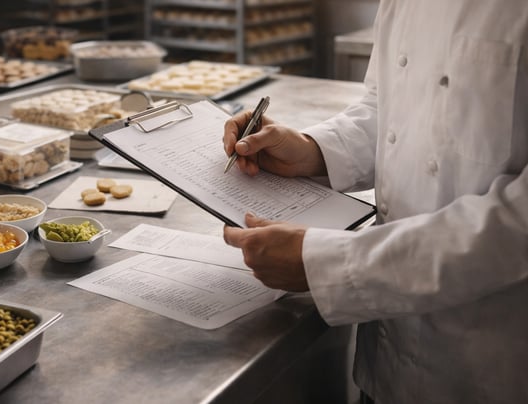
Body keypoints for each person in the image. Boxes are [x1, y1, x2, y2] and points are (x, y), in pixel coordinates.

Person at [222, 1, 528, 403]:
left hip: (485, 367)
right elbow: (387, 107)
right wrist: (314, 150)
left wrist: (334, 265)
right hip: (385, 363)